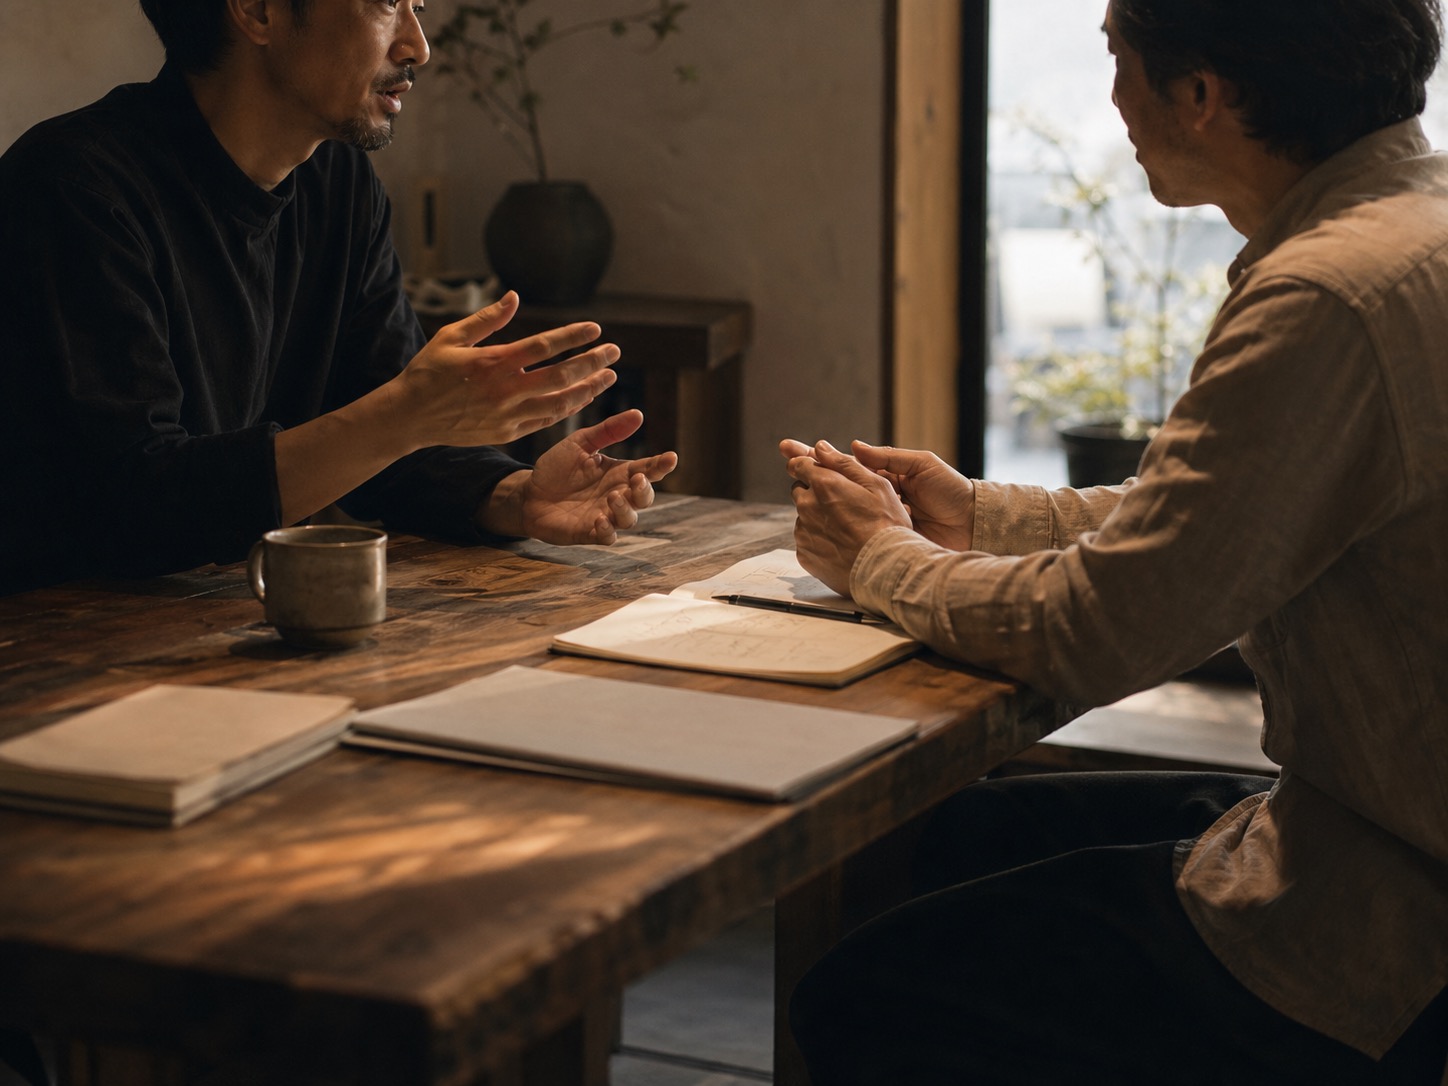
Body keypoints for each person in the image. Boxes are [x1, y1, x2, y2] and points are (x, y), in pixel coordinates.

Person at [782, 0, 1448, 1082]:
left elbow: (1100, 631)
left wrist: (879, 559)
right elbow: (1229, 519)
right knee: (960, 838)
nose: (1113, 100)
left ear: (1202, 94)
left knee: (858, 994)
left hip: (1387, 928)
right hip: (1369, 827)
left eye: (1118, 61)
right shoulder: (1412, 231)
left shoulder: (1329, 294)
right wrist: (977, 517)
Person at [0, 0, 677, 598]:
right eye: (385, 4)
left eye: (417, 8)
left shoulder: (339, 185)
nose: (418, 47)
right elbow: (133, 504)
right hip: (49, 643)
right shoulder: (74, 188)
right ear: (258, 11)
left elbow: (381, 433)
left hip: (208, 624)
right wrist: (402, 416)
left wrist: (516, 496)